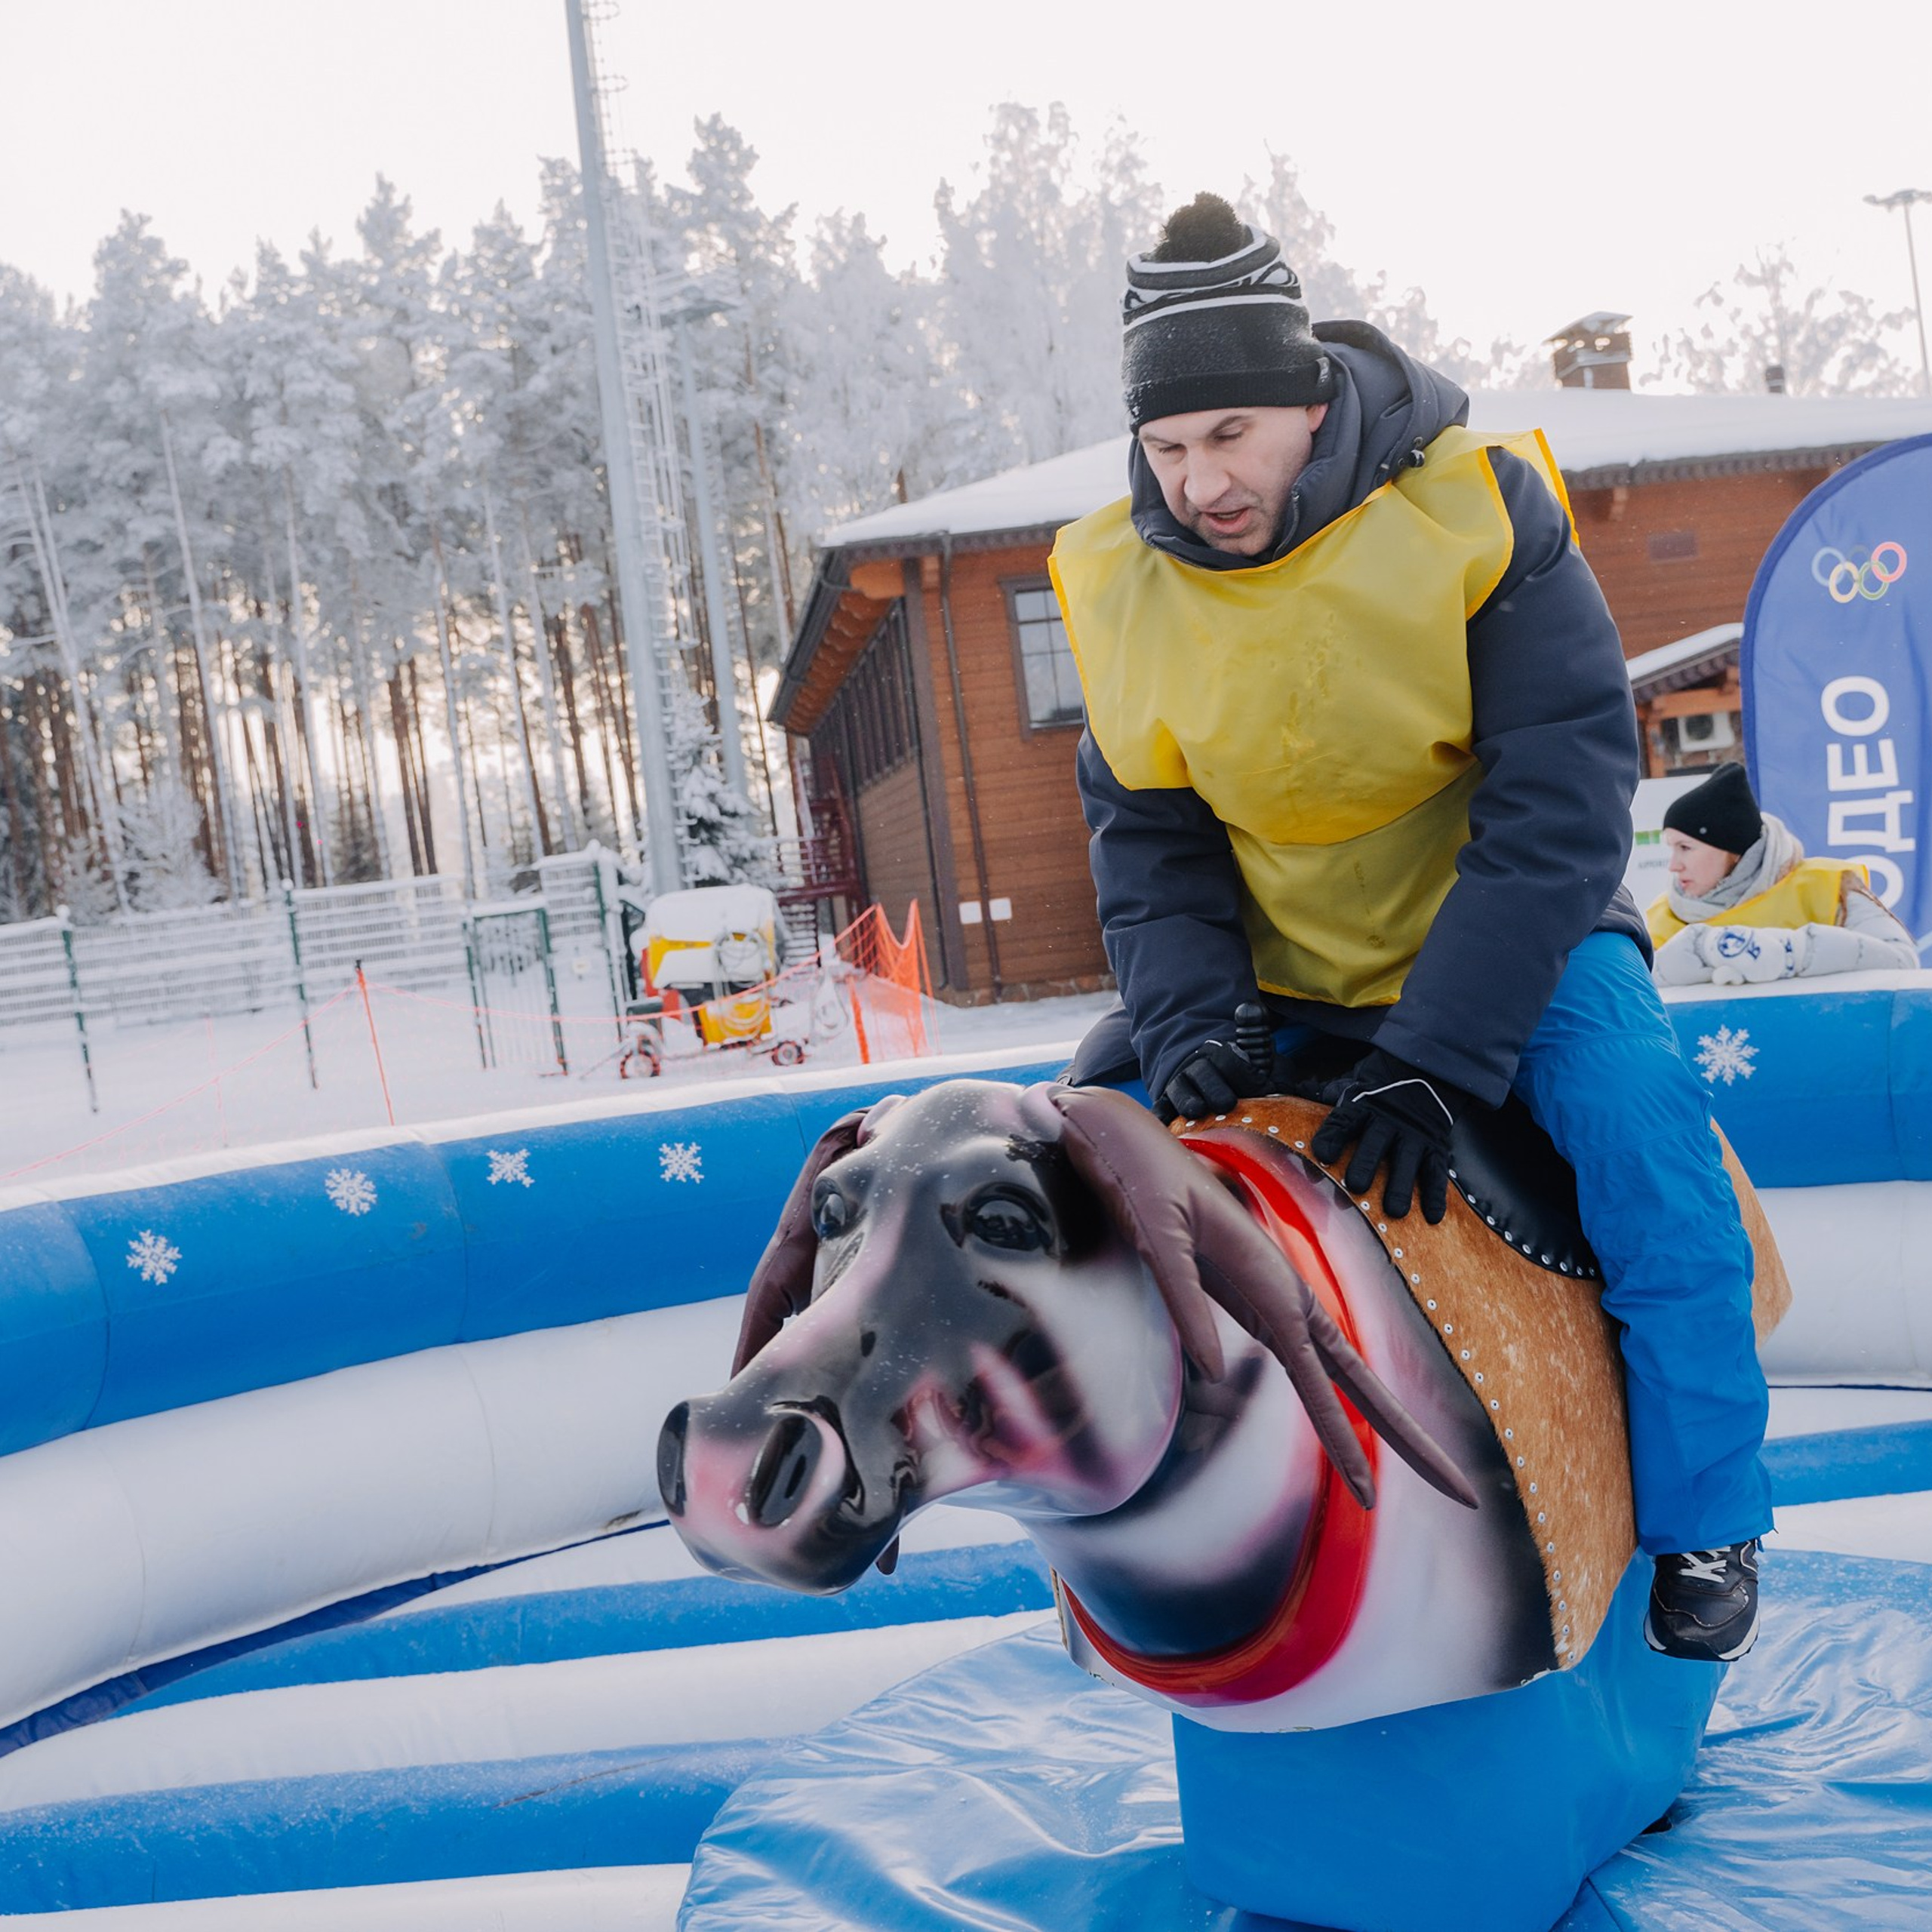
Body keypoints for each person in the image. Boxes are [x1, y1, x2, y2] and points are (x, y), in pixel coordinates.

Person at [1054, 192, 1768, 1663]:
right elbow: (1150, 844)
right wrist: (1187, 1023)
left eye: (1230, 434)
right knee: (1083, 1143)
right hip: (1279, 963)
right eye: (1167, 447)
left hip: (1515, 938)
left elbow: (1562, 801)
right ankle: (1117, 1560)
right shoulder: (1117, 583)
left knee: (1640, 1130)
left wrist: (1439, 1055)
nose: (1199, 481)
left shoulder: (1475, 510)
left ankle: (1706, 1514)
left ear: (1312, 401)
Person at [1647, 761, 1918, 985]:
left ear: (1733, 851)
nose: (1674, 865)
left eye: (1685, 848)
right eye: (1672, 848)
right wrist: (1701, 948)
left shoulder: (1826, 886)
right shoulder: (1665, 915)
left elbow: (1901, 960)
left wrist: (1789, 953)